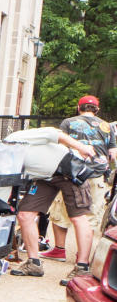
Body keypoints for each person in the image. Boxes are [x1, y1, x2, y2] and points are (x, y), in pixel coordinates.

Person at [7, 126, 96, 280]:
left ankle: (82, 268)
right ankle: (33, 263)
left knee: (78, 217)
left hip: (68, 169)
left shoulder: (13, 139)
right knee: (25, 215)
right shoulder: (3, 163)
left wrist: (81, 147)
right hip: (44, 177)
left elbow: (53, 133)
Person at [43, 96, 116, 280]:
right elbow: (112, 154)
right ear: (96, 110)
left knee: (60, 210)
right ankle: (82, 257)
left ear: (79, 107)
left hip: (73, 173)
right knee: (89, 216)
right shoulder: (107, 126)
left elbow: (60, 145)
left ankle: (59, 250)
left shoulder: (68, 122)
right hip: (97, 175)